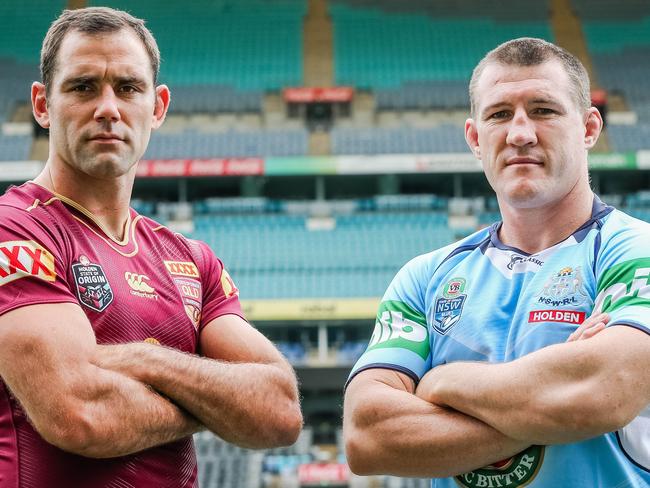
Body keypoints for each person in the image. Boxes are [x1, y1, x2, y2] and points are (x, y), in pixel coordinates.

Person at [0, 7, 302, 487]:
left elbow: (280, 410)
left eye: (128, 87)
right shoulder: (15, 230)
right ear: (42, 104)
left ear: (158, 106)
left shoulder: (192, 260)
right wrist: (216, 401)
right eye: (82, 87)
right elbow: (81, 414)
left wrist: (143, 359)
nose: (107, 108)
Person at [343, 38, 650, 487]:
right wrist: (546, 397)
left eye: (543, 110)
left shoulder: (634, 250)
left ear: (588, 128)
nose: (520, 133)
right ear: (474, 137)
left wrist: (441, 382)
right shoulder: (425, 277)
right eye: (499, 114)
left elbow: (599, 393)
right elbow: (368, 437)